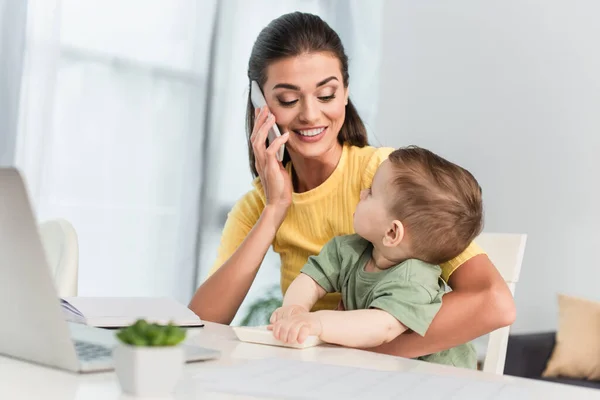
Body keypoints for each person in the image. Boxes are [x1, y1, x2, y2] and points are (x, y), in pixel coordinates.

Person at [189, 11, 515, 359]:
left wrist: (363, 356)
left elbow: (494, 303)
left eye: (326, 94)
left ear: (345, 92)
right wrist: (274, 211)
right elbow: (202, 326)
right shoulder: (257, 206)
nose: (311, 115)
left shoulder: (386, 177)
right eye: (287, 100)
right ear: (260, 105)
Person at [268, 146, 482, 369]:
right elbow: (311, 279)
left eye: (370, 193)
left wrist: (317, 323)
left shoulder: (414, 280)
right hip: (385, 370)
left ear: (392, 233)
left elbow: (380, 327)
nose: (362, 193)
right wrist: (295, 308)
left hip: (442, 380)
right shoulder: (348, 249)